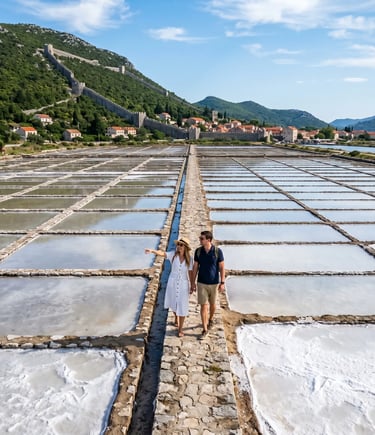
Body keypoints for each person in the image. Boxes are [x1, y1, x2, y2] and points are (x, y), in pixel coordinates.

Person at [145, 236, 193, 337]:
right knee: (174, 302)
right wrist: (152, 251)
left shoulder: (190, 260)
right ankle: (176, 317)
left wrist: (192, 284)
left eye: (181, 245)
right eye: (178, 244)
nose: (179, 246)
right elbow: (163, 254)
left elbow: (191, 273)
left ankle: (180, 329)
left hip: (184, 284)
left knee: (182, 305)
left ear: (185, 247)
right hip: (173, 283)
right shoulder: (173, 255)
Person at [191, 230, 225, 340]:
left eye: (202, 238)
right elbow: (195, 267)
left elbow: (222, 267)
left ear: (208, 240)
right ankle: (205, 329)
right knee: (203, 306)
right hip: (201, 283)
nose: (200, 240)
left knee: (213, 305)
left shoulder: (217, 251)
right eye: (200, 238)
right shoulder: (198, 251)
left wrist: (222, 282)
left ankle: (210, 319)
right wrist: (192, 282)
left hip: (214, 283)